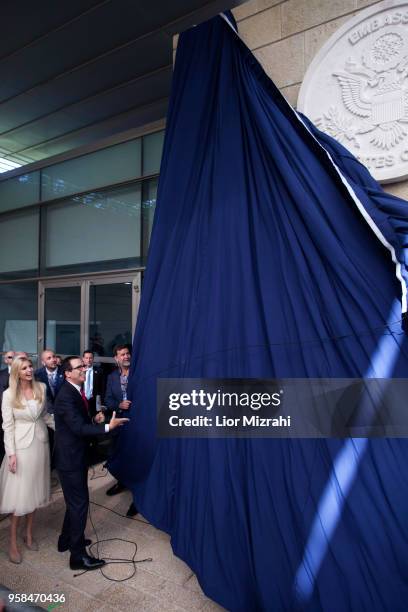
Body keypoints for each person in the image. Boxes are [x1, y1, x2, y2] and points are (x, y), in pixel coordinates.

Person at [54, 355, 128, 571]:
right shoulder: (66, 395)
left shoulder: (73, 391)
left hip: (75, 456)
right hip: (70, 459)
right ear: (67, 373)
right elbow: (77, 429)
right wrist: (108, 427)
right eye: (79, 367)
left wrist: (93, 420)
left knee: (74, 501)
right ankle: (77, 556)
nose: (84, 370)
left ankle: (66, 539)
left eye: (84, 366)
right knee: (79, 504)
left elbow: (77, 422)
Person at [0, 356, 54, 564]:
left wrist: (66, 429)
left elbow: (45, 417)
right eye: (24, 368)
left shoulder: (41, 387)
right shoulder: (8, 395)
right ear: (16, 372)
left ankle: (28, 533)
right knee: (19, 497)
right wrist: (11, 453)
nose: (29, 370)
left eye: (30, 366)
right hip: (20, 449)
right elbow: (7, 426)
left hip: (40, 445)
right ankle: (12, 542)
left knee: (34, 491)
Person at [104, 345, 137, 517]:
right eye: (122, 354)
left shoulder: (138, 374)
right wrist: (118, 405)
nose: (126, 356)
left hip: (137, 423)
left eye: (127, 353)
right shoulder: (111, 377)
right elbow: (108, 399)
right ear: (116, 358)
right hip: (119, 423)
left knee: (136, 459)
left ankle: (137, 499)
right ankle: (121, 482)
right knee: (118, 455)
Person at [0, 351, 15, 462]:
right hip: (3, 414)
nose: (13, 359)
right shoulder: (1, 374)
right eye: (10, 357)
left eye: (15, 357)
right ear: (6, 360)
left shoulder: (23, 373)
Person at [82, 350, 105, 417]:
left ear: (93, 359)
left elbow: (102, 388)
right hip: (82, 400)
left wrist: (102, 403)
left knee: (94, 420)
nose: (88, 360)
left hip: (94, 401)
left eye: (90, 358)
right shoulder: (79, 371)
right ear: (83, 359)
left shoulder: (99, 371)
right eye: (86, 358)